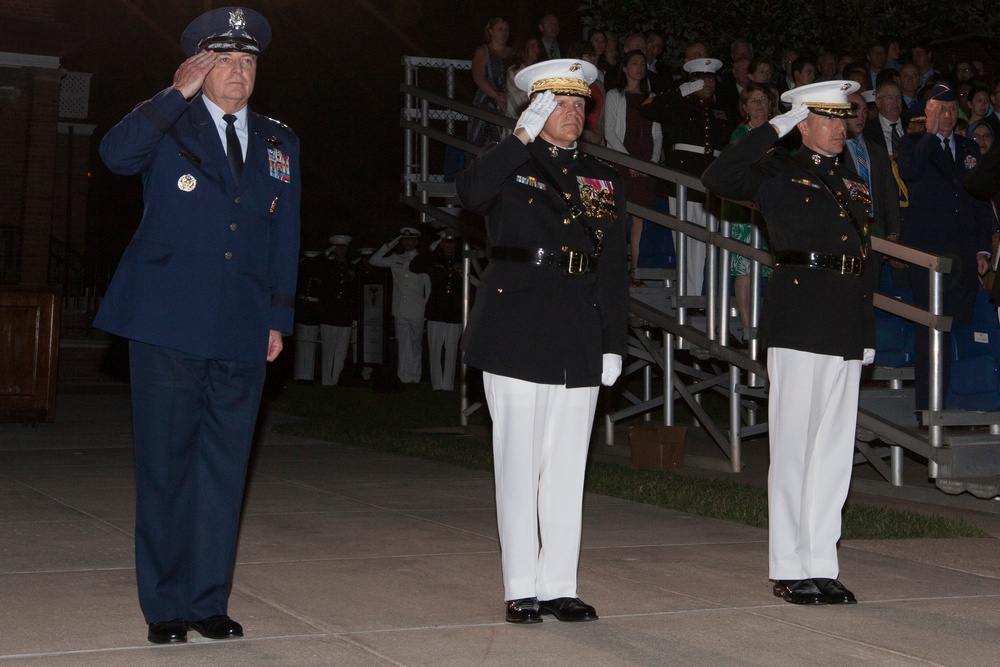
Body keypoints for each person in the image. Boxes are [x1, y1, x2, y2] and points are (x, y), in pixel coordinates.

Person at [94, 7, 299, 644]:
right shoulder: (167, 123)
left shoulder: (277, 139)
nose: (237, 74)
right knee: (166, 465)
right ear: (197, 67)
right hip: (167, 320)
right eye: (222, 62)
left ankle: (209, 601)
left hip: (241, 324)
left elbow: (282, 233)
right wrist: (174, 92)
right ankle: (165, 607)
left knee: (224, 467)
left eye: (248, 63)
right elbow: (114, 156)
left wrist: (278, 315)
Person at [456, 58, 628, 624]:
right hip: (516, 324)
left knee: (566, 467)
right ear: (534, 107)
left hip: (577, 325)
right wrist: (519, 136)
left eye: (581, 104)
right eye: (560, 103)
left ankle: (560, 582)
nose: (574, 113)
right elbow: (471, 193)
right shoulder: (510, 162)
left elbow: (610, 267)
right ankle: (521, 585)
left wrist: (612, 341)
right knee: (519, 460)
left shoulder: (601, 178)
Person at [703, 80, 875, 606]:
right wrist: (772, 128)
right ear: (803, 123)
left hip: (844, 320)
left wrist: (864, 332)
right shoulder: (779, 169)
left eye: (842, 118)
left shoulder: (852, 180)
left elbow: (864, 255)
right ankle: (788, 564)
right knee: (795, 448)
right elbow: (717, 175)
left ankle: (822, 561)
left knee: (832, 451)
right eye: (826, 118)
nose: (839, 126)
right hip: (799, 317)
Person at [896, 82, 993, 414]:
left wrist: (983, 248)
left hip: (964, 253)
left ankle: (960, 404)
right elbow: (910, 171)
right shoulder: (910, 143)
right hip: (928, 254)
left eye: (952, 109)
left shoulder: (968, 146)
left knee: (961, 327)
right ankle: (928, 408)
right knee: (929, 331)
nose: (948, 116)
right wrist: (931, 135)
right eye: (940, 110)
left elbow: (979, 200)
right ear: (927, 113)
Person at [639, 57, 734, 296]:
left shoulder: (720, 109)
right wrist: (682, 91)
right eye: (702, 79)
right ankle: (689, 295)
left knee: (708, 243)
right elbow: (648, 108)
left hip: (712, 182)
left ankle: (704, 295)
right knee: (687, 242)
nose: (708, 83)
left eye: (712, 79)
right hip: (684, 178)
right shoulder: (677, 104)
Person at [603, 49, 662, 283]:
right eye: (634, 63)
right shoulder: (615, 95)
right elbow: (609, 133)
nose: (639, 67)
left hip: (646, 161)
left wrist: (653, 162)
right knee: (620, 214)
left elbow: (657, 133)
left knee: (640, 217)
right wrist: (628, 162)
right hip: (622, 159)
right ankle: (614, 267)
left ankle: (635, 271)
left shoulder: (652, 97)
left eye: (642, 63)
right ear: (625, 68)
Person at [725, 83, 776, 335]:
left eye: (763, 99)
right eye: (753, 100)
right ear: (744, 107)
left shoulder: (780, 133)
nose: (759, 104)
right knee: (744, 266)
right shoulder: (740, 135)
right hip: (746, 208)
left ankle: (770, 323)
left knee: (773, 266)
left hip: (774, 208)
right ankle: (747, 326)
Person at [370, 227, 431, 384]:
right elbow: (374, 260)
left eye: (411, 239)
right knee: (403, 343)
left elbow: (428, 287)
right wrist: (391, 244)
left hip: (417, 308)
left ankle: (415, 376)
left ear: (416, 241)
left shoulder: (423, 259)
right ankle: (403, 376)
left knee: (416, 344)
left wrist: (426, 308)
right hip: (400, 308)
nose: (408, 242)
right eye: (405, 239)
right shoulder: (395, 258)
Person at [409, 229, 464, 391]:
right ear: (441, 244)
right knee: (434, 348)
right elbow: (414, 266)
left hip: (454, 311)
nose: (449, 245)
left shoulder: (462, 260)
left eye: (452, 242)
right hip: (437, 310)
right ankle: (437, 384)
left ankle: (448, 385)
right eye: (446, 242)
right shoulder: (434, 259)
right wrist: (431, 249)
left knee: (452, 350)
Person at [320, 235, 358, 386]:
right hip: (329, 313)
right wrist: (327, 252)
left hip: (345, 314)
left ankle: (336, 379)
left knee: (341, 350)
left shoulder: (352, 267)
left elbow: (355, 293)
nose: (341, 250)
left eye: (344, 248)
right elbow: (313, 264)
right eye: (338, 247)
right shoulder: (327, 266)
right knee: (328, 349)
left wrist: (354, 315)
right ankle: (326, 380)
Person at [468, 17, 511, 148]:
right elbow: (479, 77)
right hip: (488, 99)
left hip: (510, 98)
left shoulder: (512, 52)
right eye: (499, 29)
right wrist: (497, 96)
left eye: (506, 29)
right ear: (491, 31)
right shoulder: (483, 51)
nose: (503, 32)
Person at [293, 250, 326, 383]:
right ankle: (299, 375)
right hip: (303, 309)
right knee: (301, 344)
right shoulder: (301, 273)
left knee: (311, 344)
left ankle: (308, 376)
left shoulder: (319, 273)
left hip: (313, 310)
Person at [506, 37, 543, 119]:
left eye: (537, 46)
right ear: (524, 49)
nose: (536, 50)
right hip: (515, 114)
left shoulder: (539, 71)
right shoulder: (514, 70)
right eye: (532, 46)